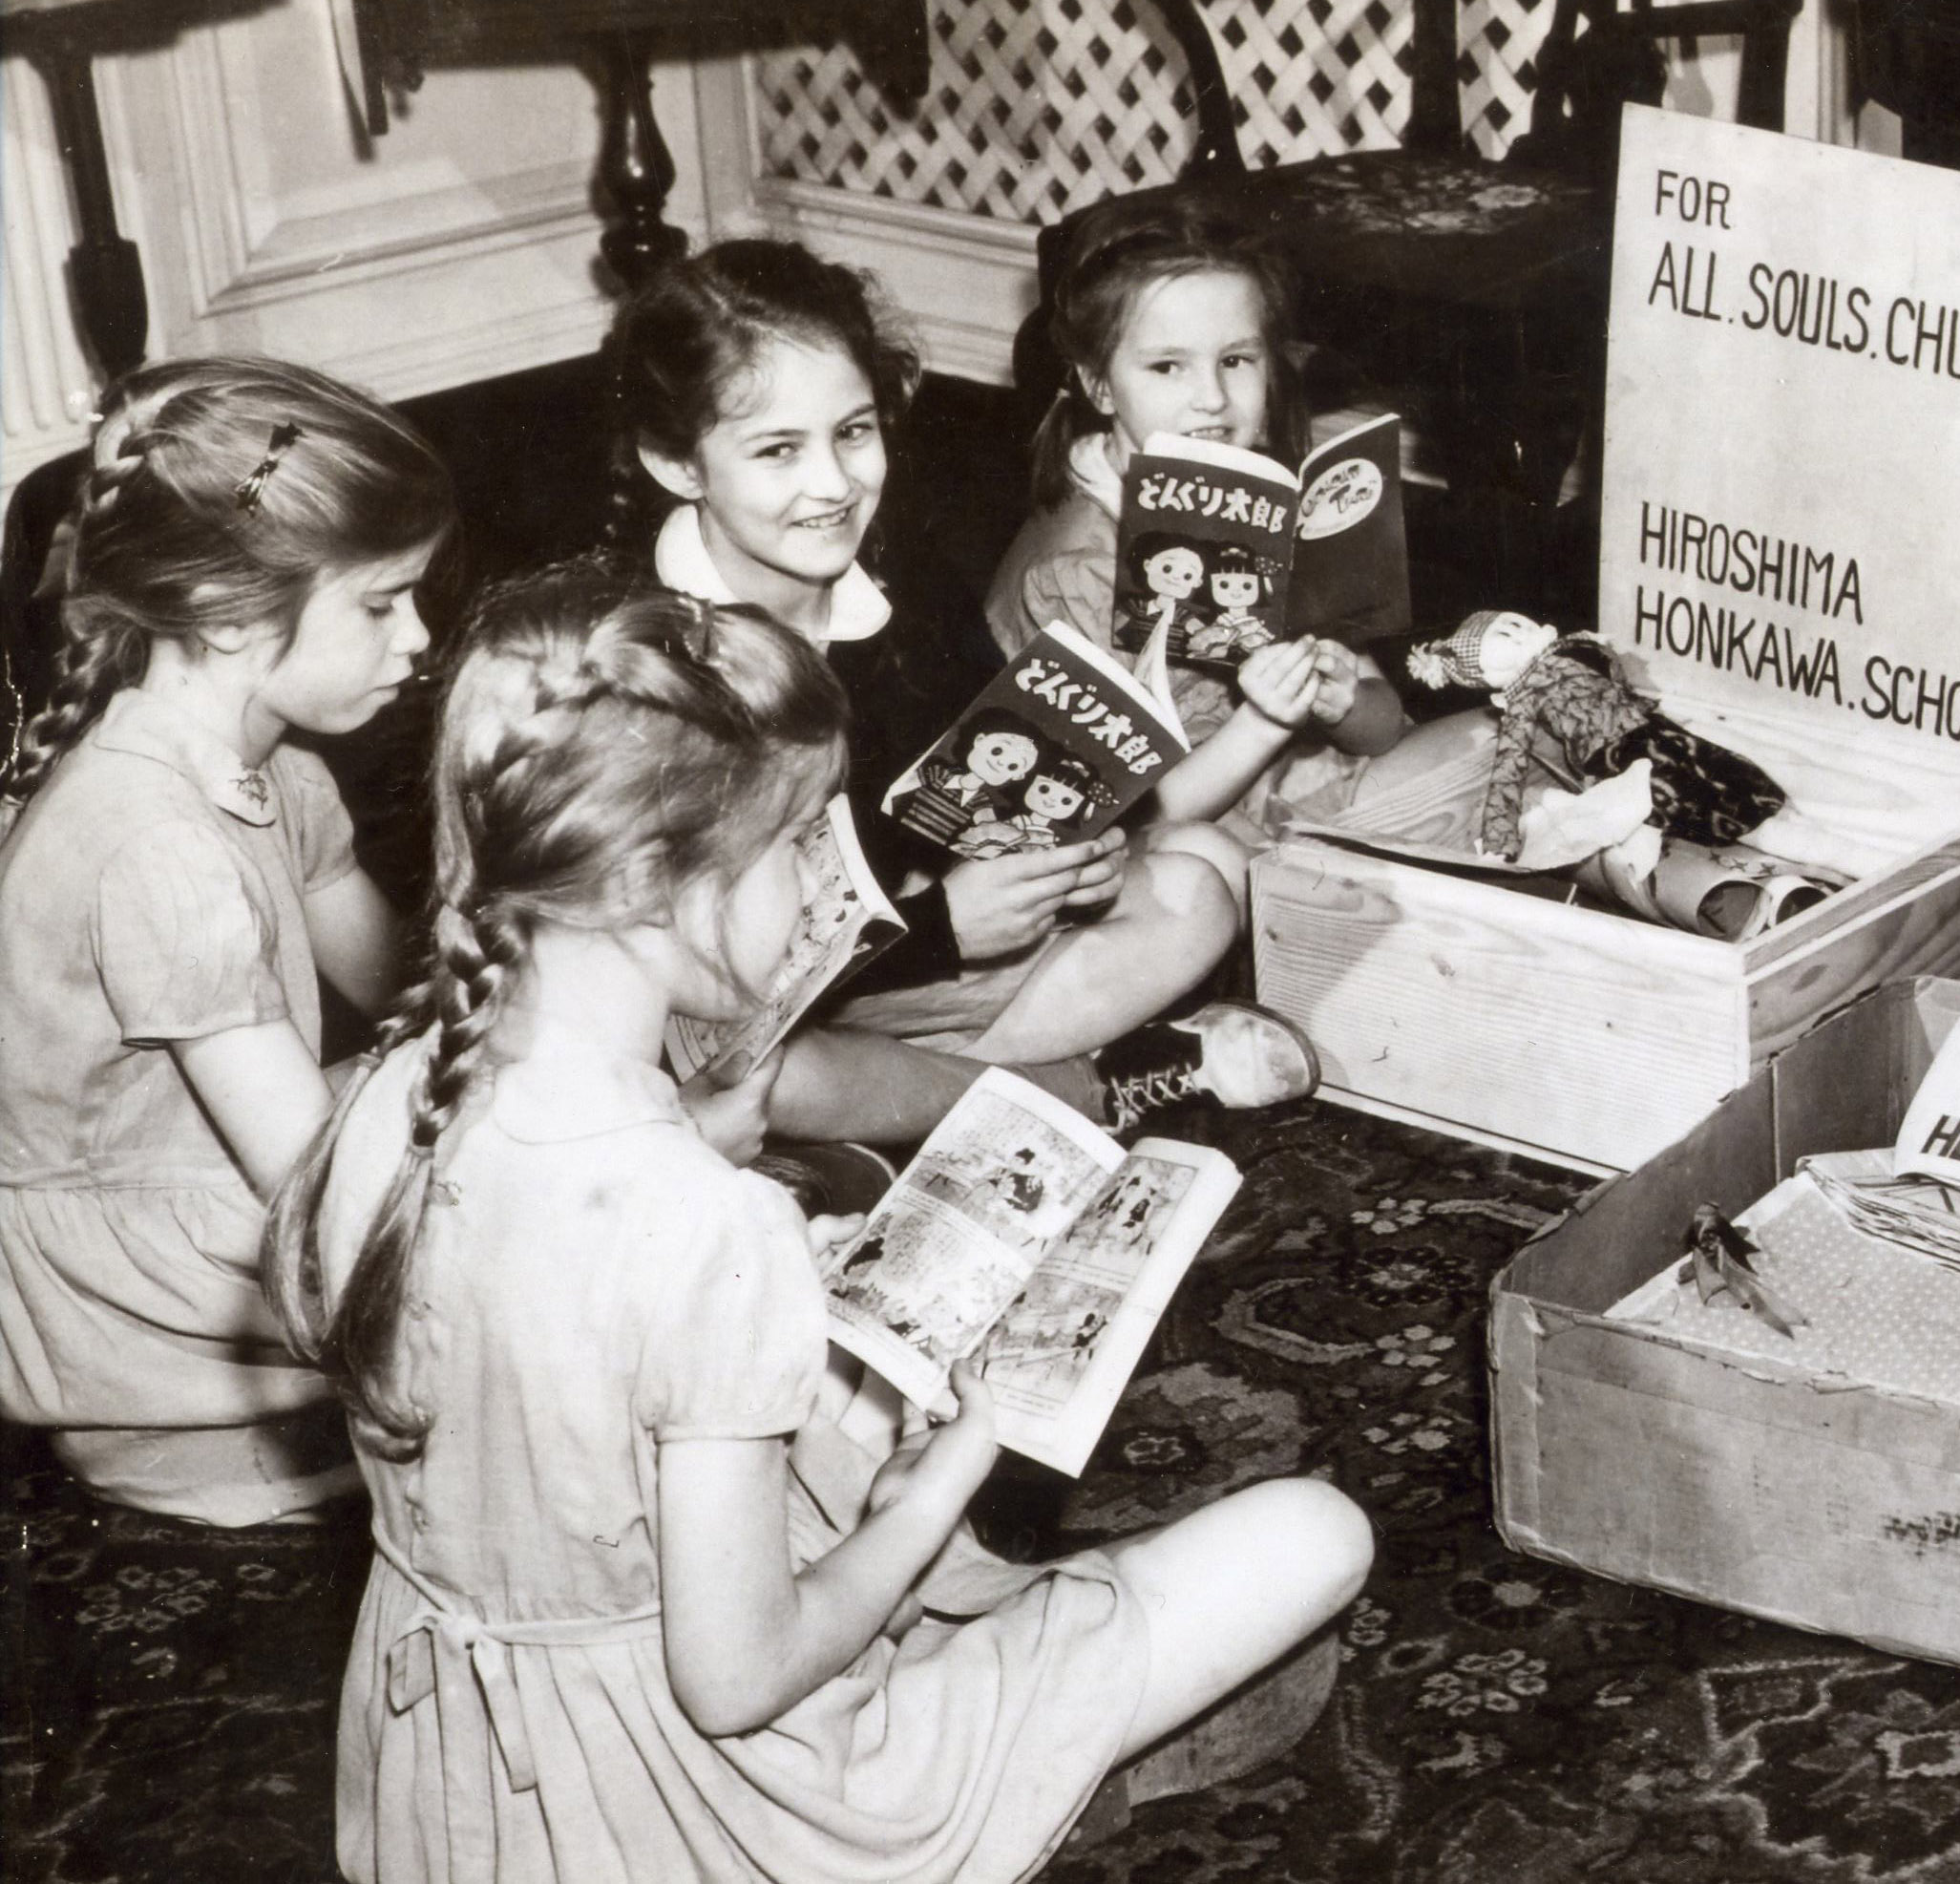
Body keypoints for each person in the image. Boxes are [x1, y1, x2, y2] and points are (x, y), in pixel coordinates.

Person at [263, 583, 1372, 1881]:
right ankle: (1027, 1757)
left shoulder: (393, 1089)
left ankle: (1008, 1676)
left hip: (452, 1802)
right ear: (643, 880)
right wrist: (956, 1466)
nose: (828, 885)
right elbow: (737, 1682)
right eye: (801, 840)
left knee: (851, 1364)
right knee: (1315, 1533)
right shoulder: (702, 1222)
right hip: (703, 1806)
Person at [603, 239, 1317, 1138]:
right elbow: (693, 970)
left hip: (918, 946)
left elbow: (998, 755)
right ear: (677, 464)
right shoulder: (640, 652)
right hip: (765, 990)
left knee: (1203, 878)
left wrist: (1074, 856)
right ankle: (1087, 1088)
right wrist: (940, 928)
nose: (832, 486)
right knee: (760, 1072)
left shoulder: (899, 571)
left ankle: (937, 1099)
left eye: (854, 432)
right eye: (777, 450)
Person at [0, 357, 450, 1523]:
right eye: (382, 600)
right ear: (232, 612)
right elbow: (315, 1184)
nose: (420, 637)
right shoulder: (156, 841)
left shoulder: (276, 768)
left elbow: (411, 996)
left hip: (227, 1206)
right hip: (148, 1341)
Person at [985, 208, 1455, 853]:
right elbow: (1116, 819)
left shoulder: (1261, 499)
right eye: (1167, 367)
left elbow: (1385, 726)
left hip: (1315, 791)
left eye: (1235, 359)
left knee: (1516, 741)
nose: (1211, 396)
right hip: (1191, 845)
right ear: (1098, 385)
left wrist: (1343, 699)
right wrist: (1263, 721)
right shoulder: (1075, 571)